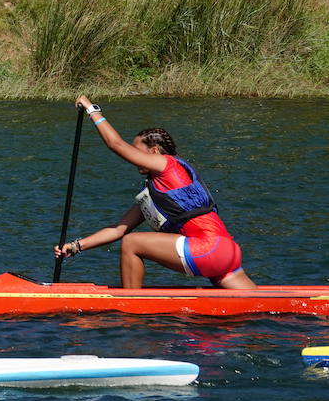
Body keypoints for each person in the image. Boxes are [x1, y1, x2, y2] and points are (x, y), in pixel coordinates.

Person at [54, 96, 256, 291]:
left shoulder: (167, 164)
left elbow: (116, 144)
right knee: (259, 303)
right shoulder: (157, 193)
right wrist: (76, 246)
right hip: (227, 251)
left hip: (207, 248)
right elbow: (117, 229)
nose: (134, 157)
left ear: (154, 151)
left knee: (132, 243)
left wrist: (91, 109)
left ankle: (130, 309)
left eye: (137, 151)